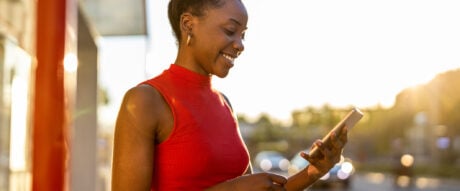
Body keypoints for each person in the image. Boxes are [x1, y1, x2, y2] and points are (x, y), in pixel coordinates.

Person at [111, 0, 348, 190]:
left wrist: (313, 172)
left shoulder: (225, 104)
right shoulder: (145, 101)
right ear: (188, 25)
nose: (240, 45)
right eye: (230, 31)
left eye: (243, 34)